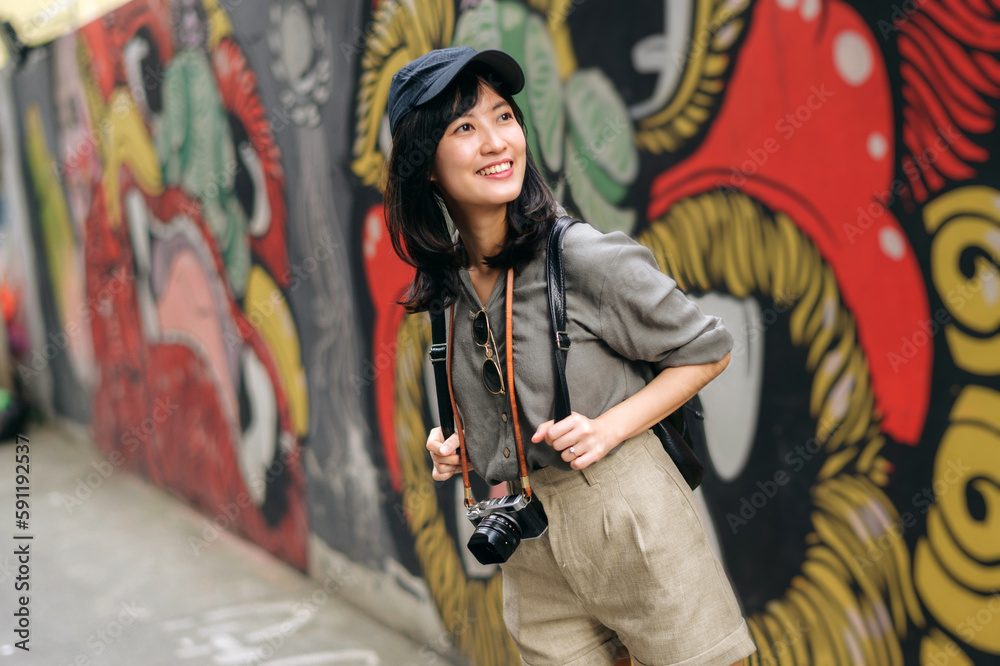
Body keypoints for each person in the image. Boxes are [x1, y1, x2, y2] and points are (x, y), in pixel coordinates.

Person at [384, 46, 757, 666]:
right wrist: (457, 444)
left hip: (630, 521)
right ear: (425, 164)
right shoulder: (447, 290)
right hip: (530, 548)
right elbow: (504, 397)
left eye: (504, 117)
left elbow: (708, 349)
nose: (496, 142)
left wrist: (608, 428)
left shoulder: (583, 257)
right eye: (465, 128)